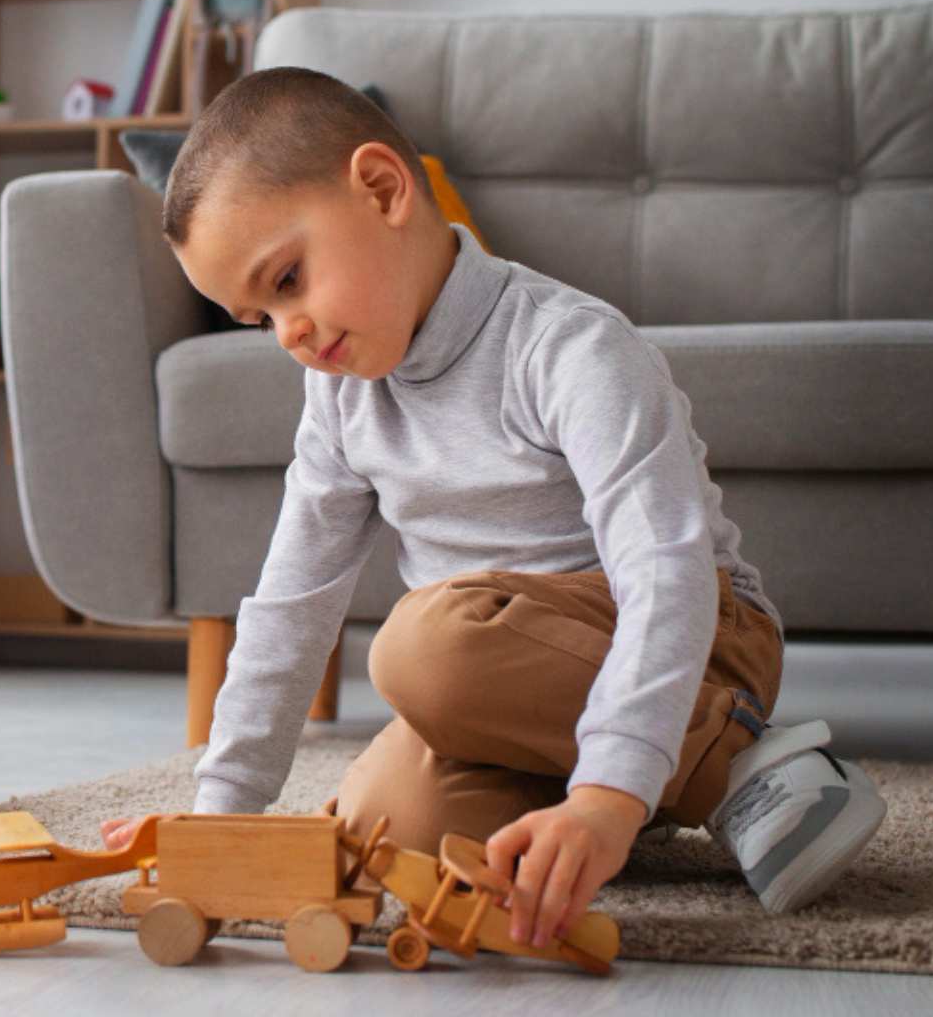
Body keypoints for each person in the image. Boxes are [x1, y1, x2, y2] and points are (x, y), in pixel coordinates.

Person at [97, 67, 887, 946]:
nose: (288, 334)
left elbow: (665, 571)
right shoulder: (342, 403)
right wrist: (221, 813)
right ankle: (664, 783)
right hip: (499, 692)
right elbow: (291, 606)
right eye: (257, 319)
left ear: (383, 189)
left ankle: (731, 759)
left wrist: (602, 801)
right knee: (377, 833)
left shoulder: (567, 347)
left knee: (424, 646)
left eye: (287, 280)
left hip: (700, 640)